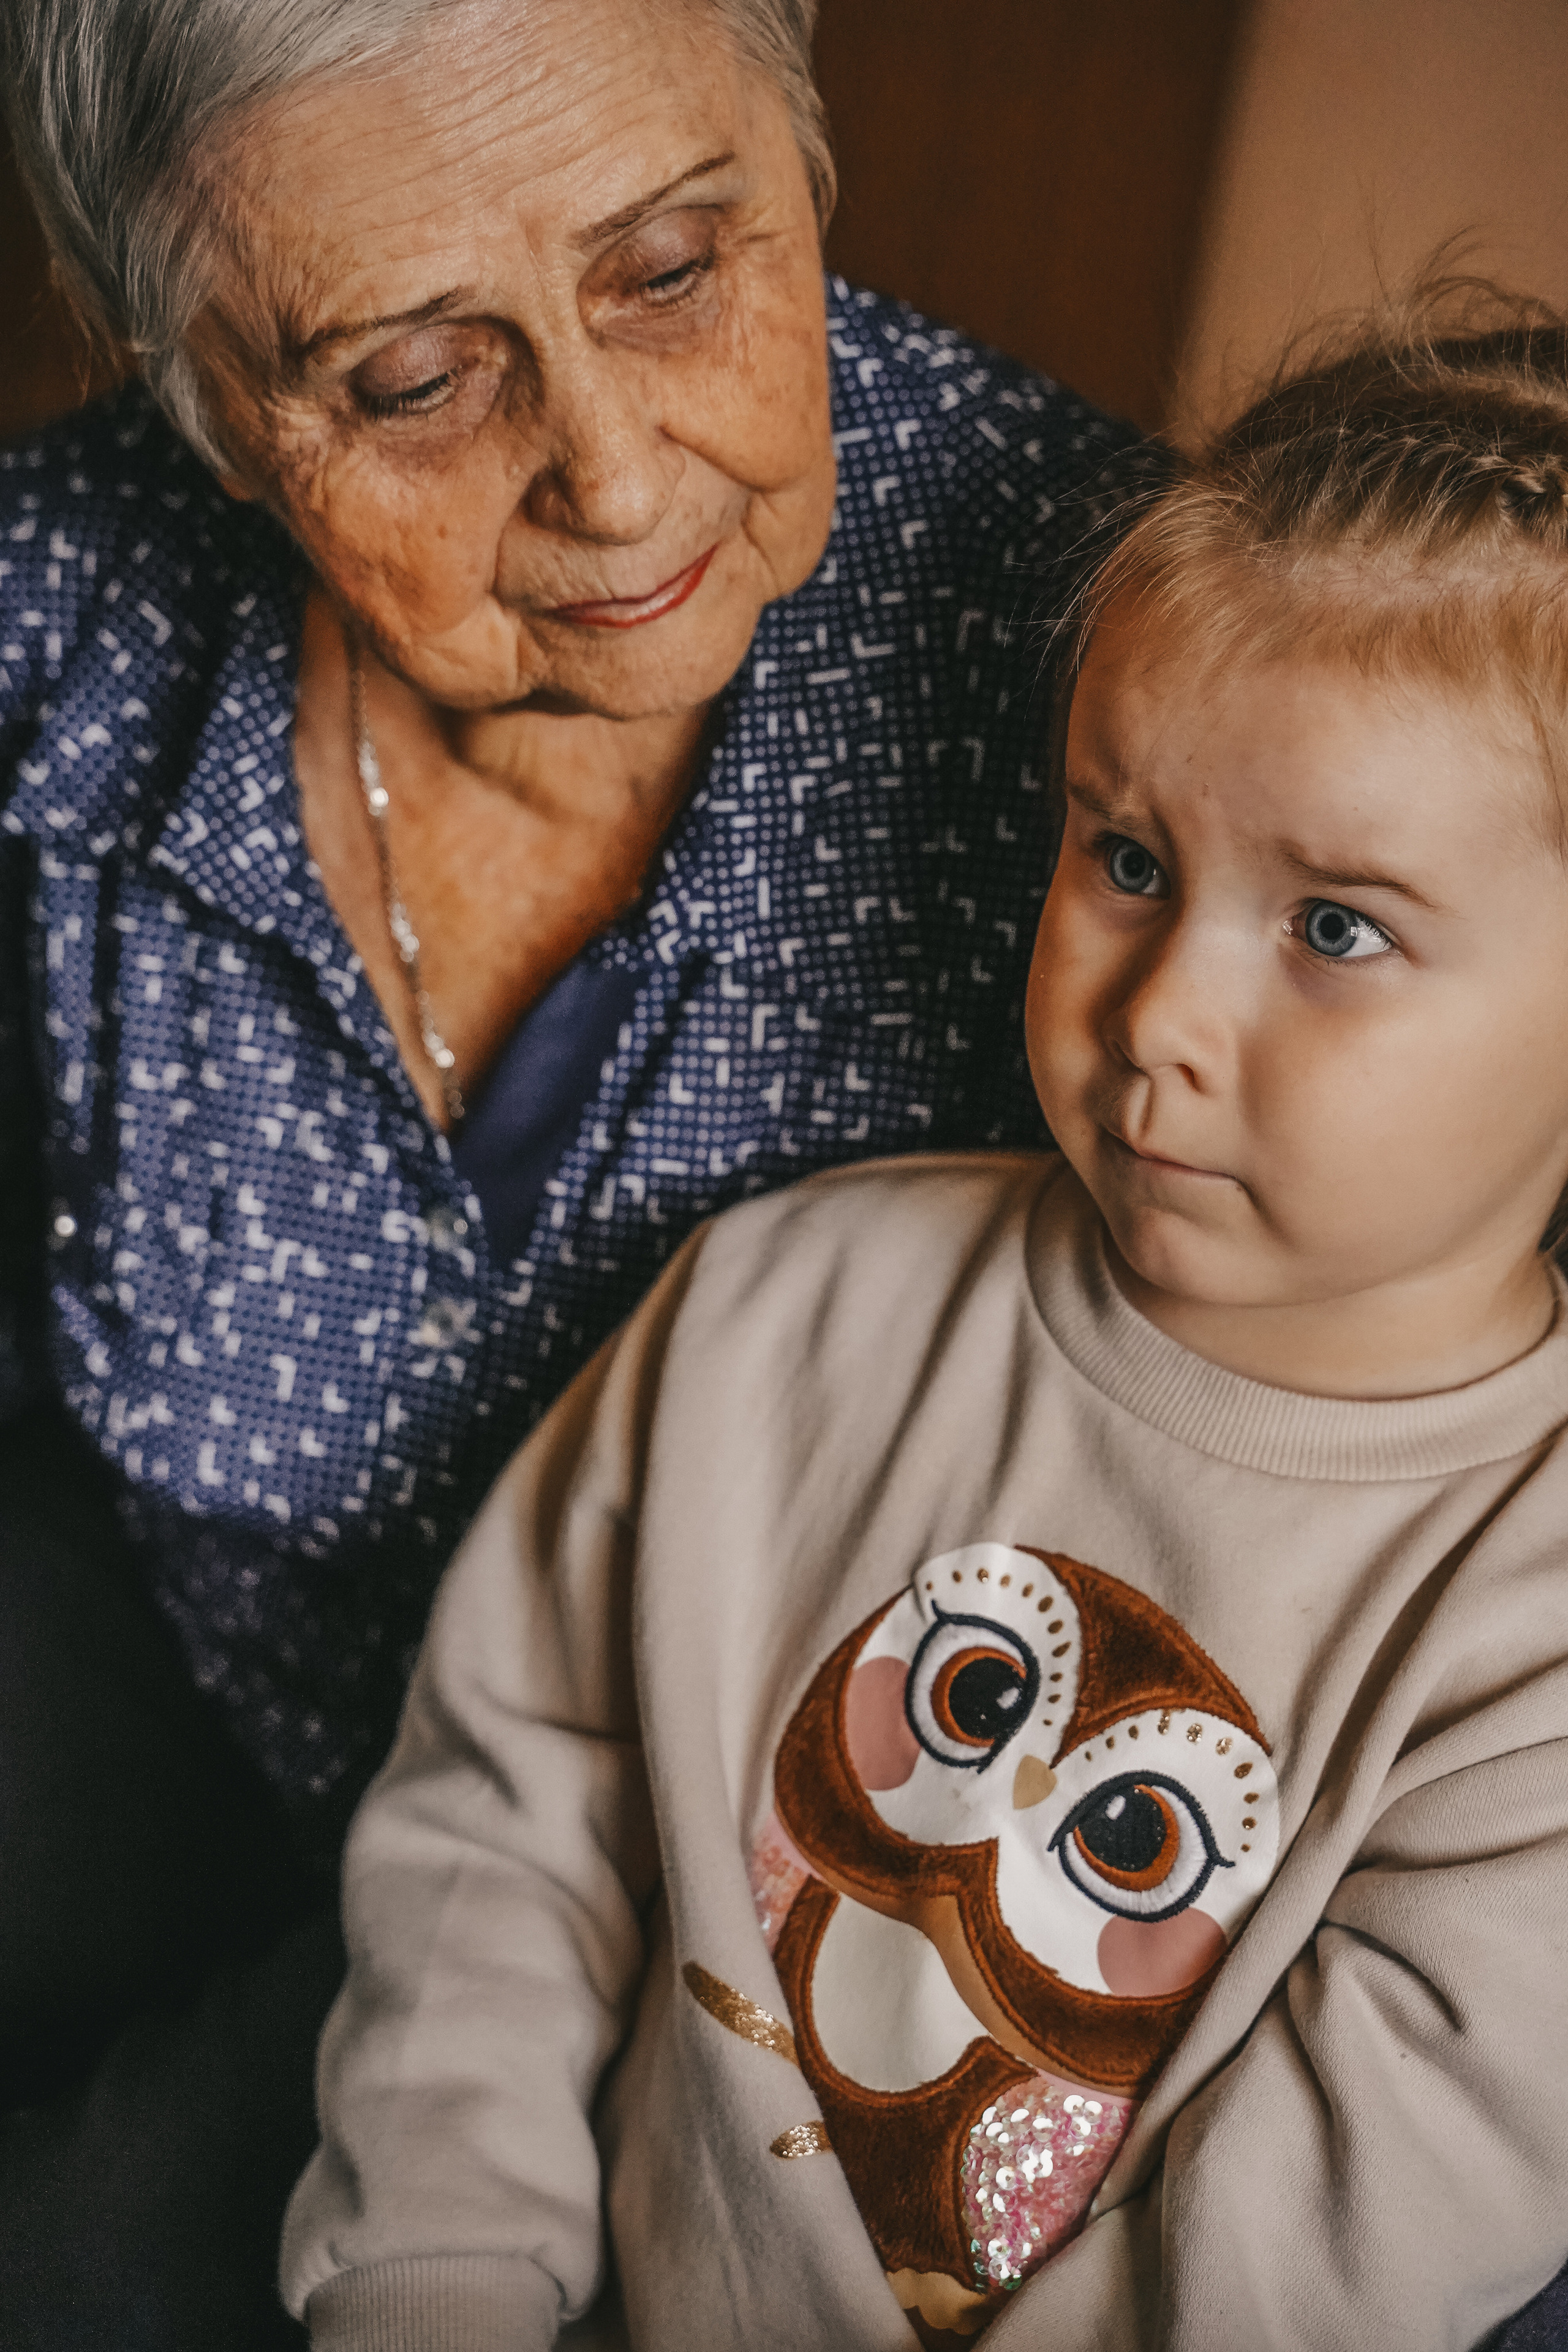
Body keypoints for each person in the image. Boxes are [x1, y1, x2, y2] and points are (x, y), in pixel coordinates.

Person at [0, 0, 1144, 2338]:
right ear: (212, 399)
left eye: (674, 270)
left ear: (804, 167)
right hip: (229, 1670)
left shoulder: (1141, 683)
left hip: (739, 1895)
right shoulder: (59, 611)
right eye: (416, 379)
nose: (619, 478)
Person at [282, 298, 1568, 2351]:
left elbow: (1282, 2283)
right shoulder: (783, 1304)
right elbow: (506, 1826)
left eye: (1339, 926)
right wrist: (437, 2283)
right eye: (1126, 857)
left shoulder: (1532, 1629)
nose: (1161, 1019)